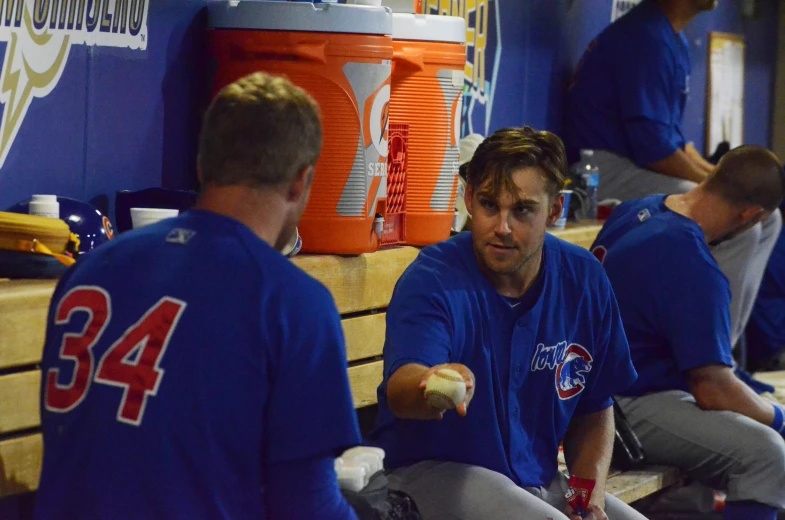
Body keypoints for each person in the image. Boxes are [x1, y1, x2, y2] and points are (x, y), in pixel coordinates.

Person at [35, 72, 362, 520]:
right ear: (300, 182)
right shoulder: (293, 303)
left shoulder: (89, 270)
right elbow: (306, 506)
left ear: (203, 166)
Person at [369, 126, 644, 520]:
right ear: (468, 199)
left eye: (521, 210)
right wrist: (432, 384)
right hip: (425, 475)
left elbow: (594, 407)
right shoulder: (432, 278)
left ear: (553, 210)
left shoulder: (584, 278)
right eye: (488, 205)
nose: (501, 226)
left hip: (536, 482)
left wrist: (587, 498)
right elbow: (402, 389)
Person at [564, 0, 782, 352]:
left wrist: (721, 179)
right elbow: (654, 150)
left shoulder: (671, 38)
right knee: (744, 225)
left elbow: (676, 144)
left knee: (766, 218)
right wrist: (721, 186)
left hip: (636, 165)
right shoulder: (644, 36)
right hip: (600, 171)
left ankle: (722, 351)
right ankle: (710, 359)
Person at [591, 145, 785, 520]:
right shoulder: (696, 266)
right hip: (619, 406)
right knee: (767, 454)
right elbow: (713, 390)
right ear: (750, 216)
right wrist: (778, 419)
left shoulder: (634, 210)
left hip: (590, 385)